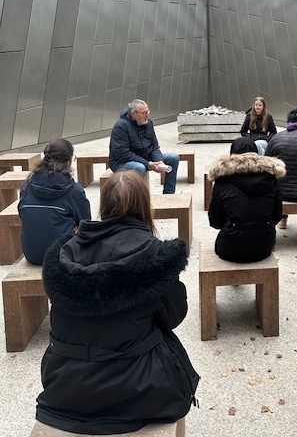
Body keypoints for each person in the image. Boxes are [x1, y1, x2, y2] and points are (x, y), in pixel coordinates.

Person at [37, 170, 199, 435]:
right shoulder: (155, 255)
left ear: (104, 205)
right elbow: (173, 317)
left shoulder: (64, 254)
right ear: (144, 205)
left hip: (66, 385)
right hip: (139, 388)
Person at [208, 137, 286, 262]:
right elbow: (277, 215)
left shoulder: (222, 180)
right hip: (264, 246)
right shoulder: (270, 178)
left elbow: (215, 221)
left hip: (230, 247)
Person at [18, 139, 91, 265]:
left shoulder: (26, 186)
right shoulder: (74, 190)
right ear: (68, 161)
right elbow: (86, 223)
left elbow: (22, 214)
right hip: (62, 254)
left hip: (31, 254)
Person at [109, 99, 179, 194]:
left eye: (148, 112)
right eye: (144, 113)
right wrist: (148, 164)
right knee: (140, 167)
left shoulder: (148, 123)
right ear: (133, 114)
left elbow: (154, 146)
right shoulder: (121, 126)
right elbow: (124, 154)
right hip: (122, 162)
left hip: (144, 158)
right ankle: (138, 201)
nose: (147, 115)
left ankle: (169, 194)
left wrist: (160, 162)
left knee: (173, 158)